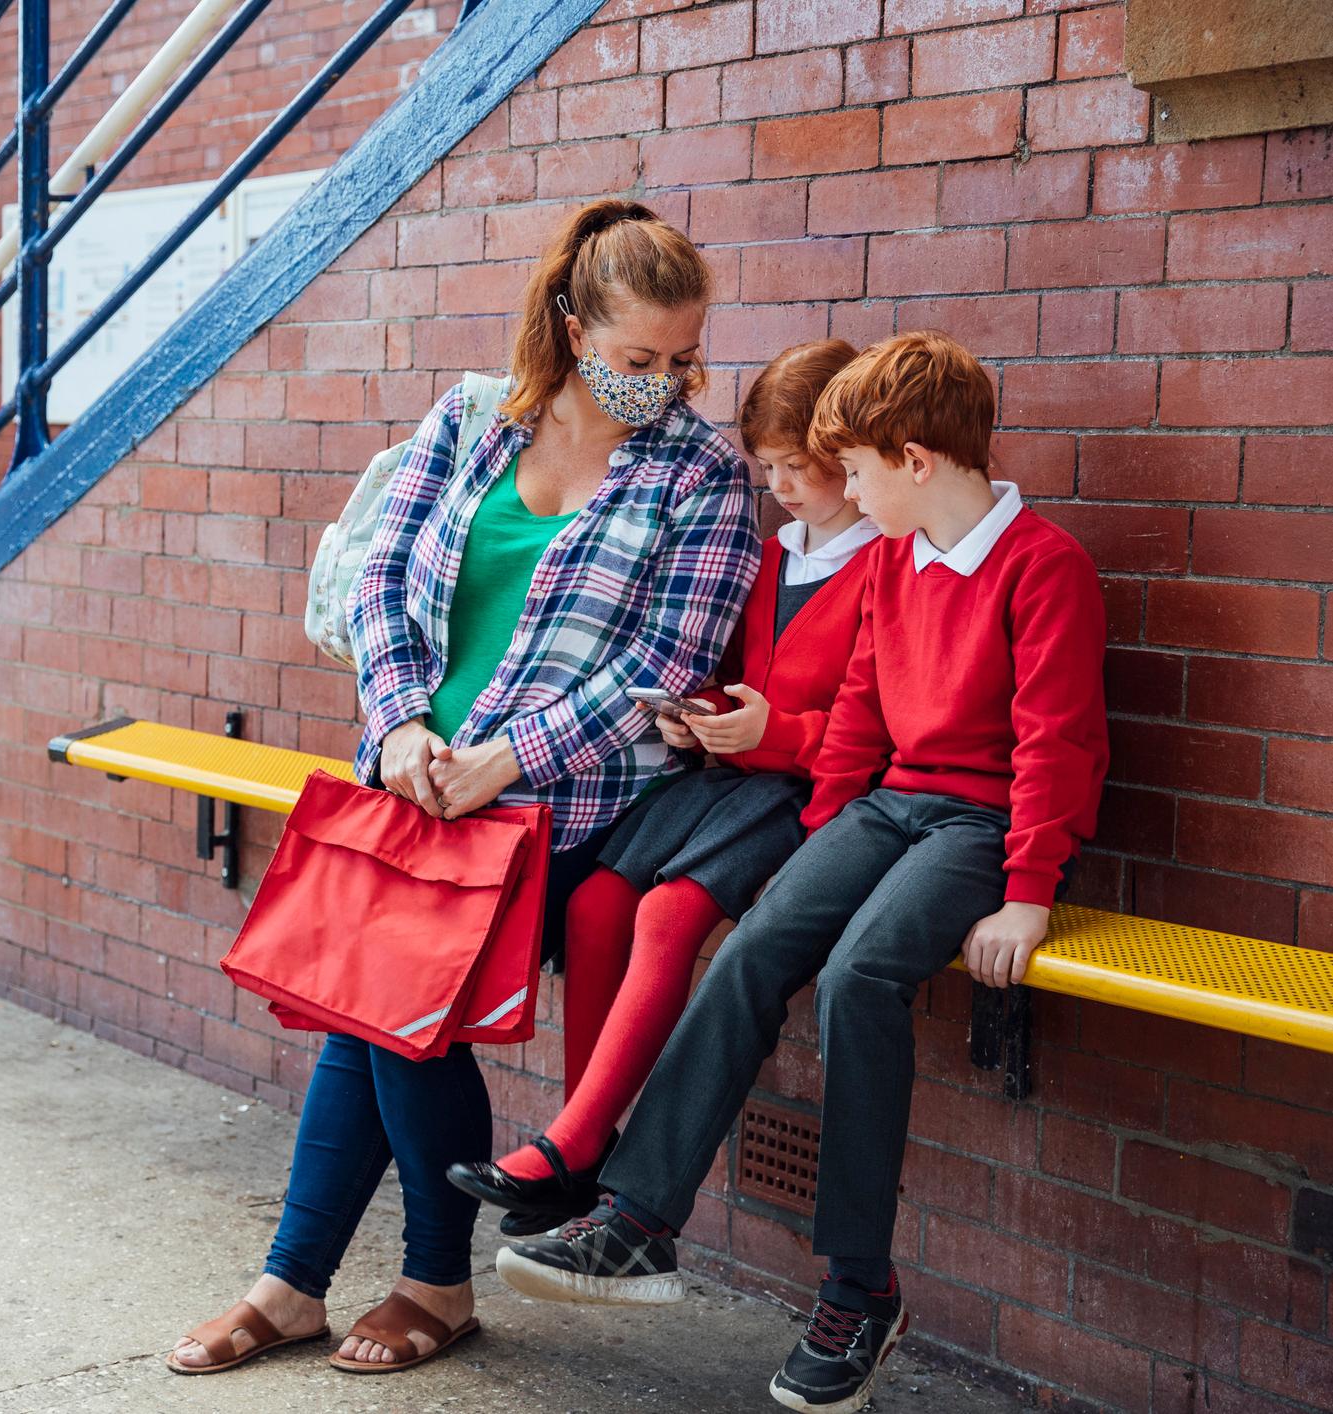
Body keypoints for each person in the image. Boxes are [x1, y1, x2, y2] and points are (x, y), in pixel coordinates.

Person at [167, 198, 759, 1376]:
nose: (666, 380)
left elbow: (669, 663)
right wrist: (398, 727)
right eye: (639, 357)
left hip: (563, 809)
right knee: (371, 1013)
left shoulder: (706, 476)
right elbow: (383, 575)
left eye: (683, 357)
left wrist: (503, 761)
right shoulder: (473, 421)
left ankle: (409, 1281)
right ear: (573, 325)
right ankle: (310, 1284)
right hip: (412, 776)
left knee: (398, 1015)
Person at [496, 330, 1109, 1414]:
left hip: (981, 824)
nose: (847, 495)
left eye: (860, 471)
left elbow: (1057, 742)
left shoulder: (1042, 566)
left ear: (915, 460)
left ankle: (858, 1287)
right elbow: (864, 713)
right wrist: (822, 839)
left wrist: (1027, 889)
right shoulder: (896, 562)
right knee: (760, 947)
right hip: (883, 807)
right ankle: (638, 1219)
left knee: (855, 979)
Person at [447, 339, 879, 1231]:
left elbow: (883, 728)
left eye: (800, 467)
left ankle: (572, 1142)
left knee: (666, 910)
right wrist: (699, 713)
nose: (783, 486)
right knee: (598, 902)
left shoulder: (885, 564)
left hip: (810, 791)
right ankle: (579, 1147)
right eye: (768, 468)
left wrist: (777, 734)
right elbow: (733, 666)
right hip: (728, 774)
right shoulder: (776, 553)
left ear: (850, 456)